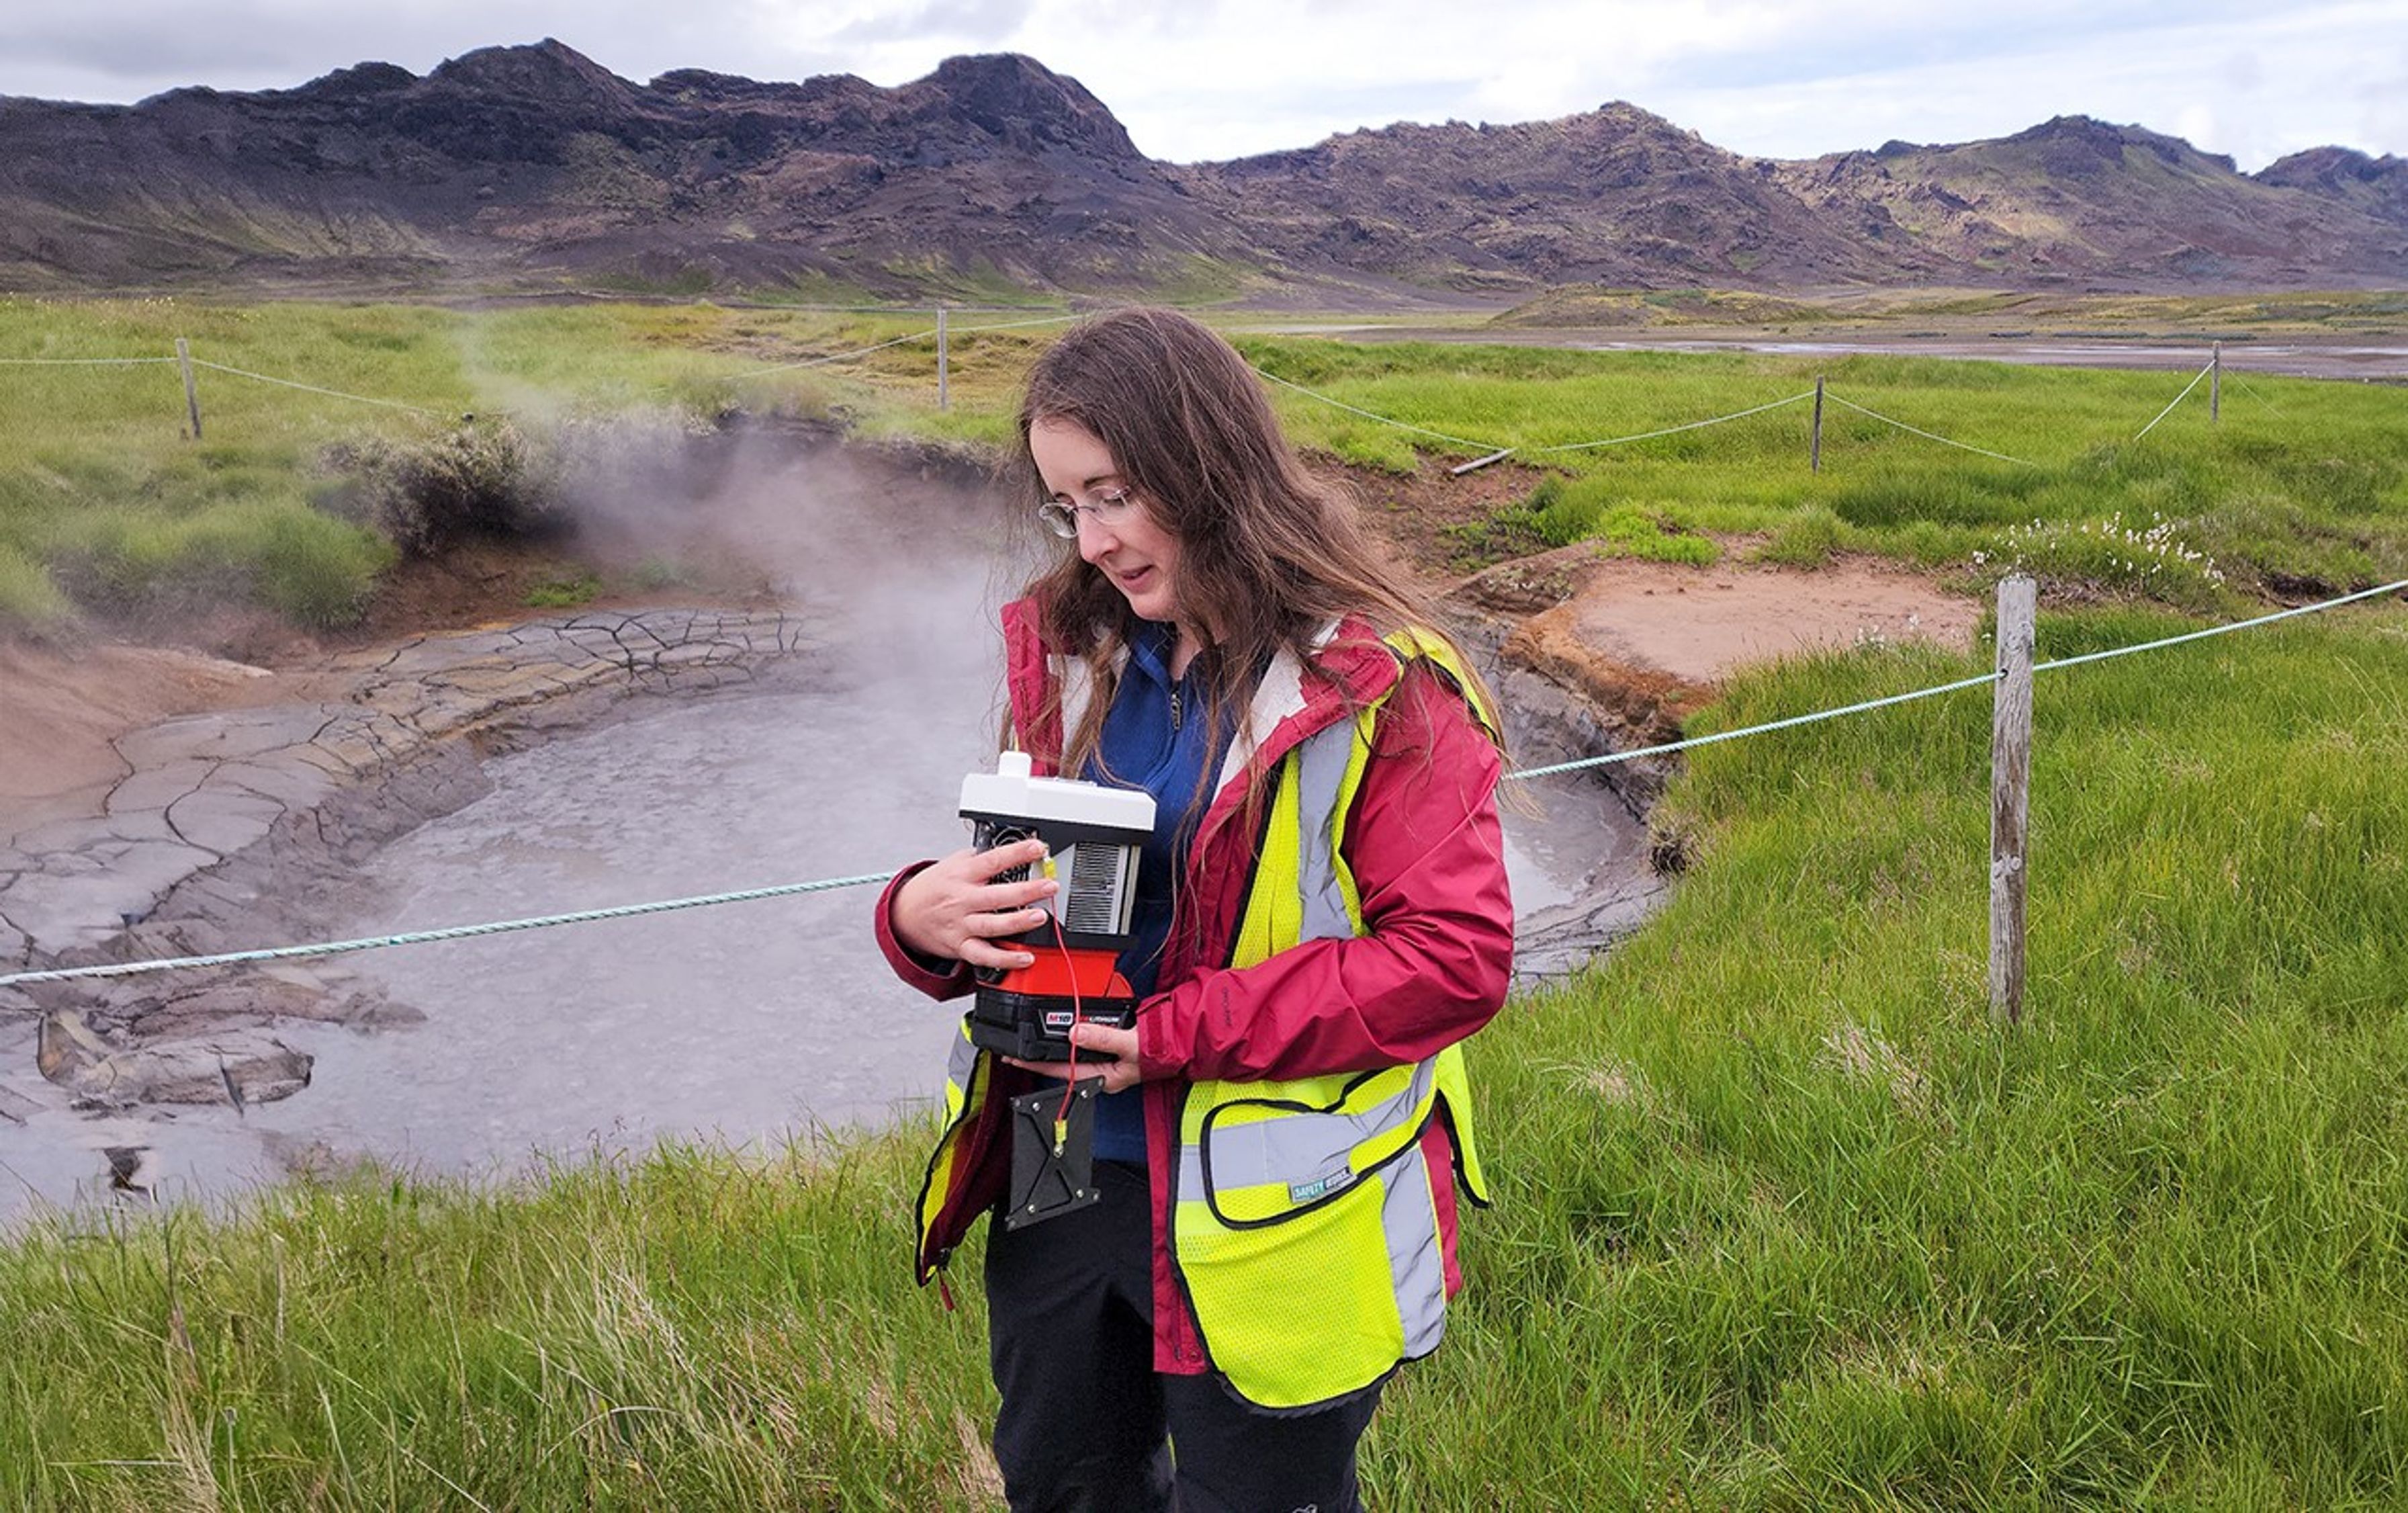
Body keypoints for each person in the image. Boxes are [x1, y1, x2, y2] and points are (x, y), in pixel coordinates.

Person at [875, 307, 1513, 1513]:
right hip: (1056, 1174)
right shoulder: (1074, 653)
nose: (1094, 540)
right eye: (1067, 506)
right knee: (1065, 1488)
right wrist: (919, 916)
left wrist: (1175, 1034)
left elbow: (1454, 964)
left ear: (1204, 461)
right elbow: (1036, 890)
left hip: (1267, 1217)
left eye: (1113, 493)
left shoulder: (1381, 685)